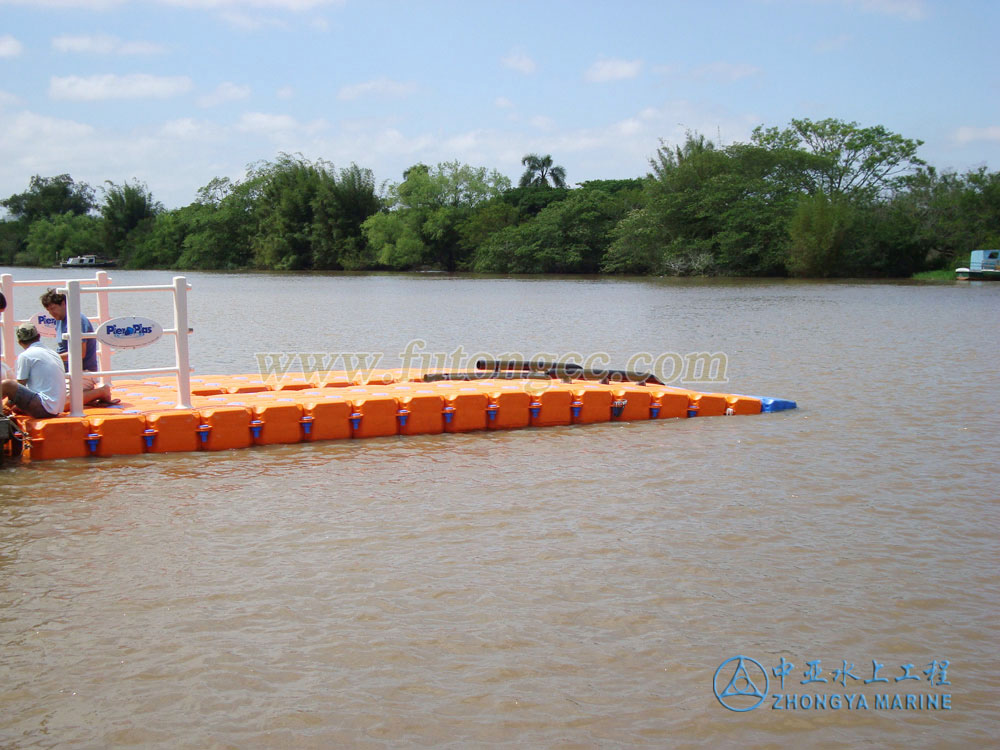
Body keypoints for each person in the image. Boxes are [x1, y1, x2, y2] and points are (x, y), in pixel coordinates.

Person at [39, 288, 115, 405]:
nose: (51, 313)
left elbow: (79, 353)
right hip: (64, 369)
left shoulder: (77, 320)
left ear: (64, 303)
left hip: (82, 370)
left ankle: (101, 391)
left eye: (53, 308)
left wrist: (51, 357)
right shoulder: (59, 319)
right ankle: (86, 395)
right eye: (48, 310)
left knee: (62, 404)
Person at [1, 323, 66, 419]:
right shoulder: (53, 353)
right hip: (56, 409)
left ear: (20, 342)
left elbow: (20, 385)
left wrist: (6, 404)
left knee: (6, 385)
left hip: (44, 408)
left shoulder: (25, 356)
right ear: (38, 337)